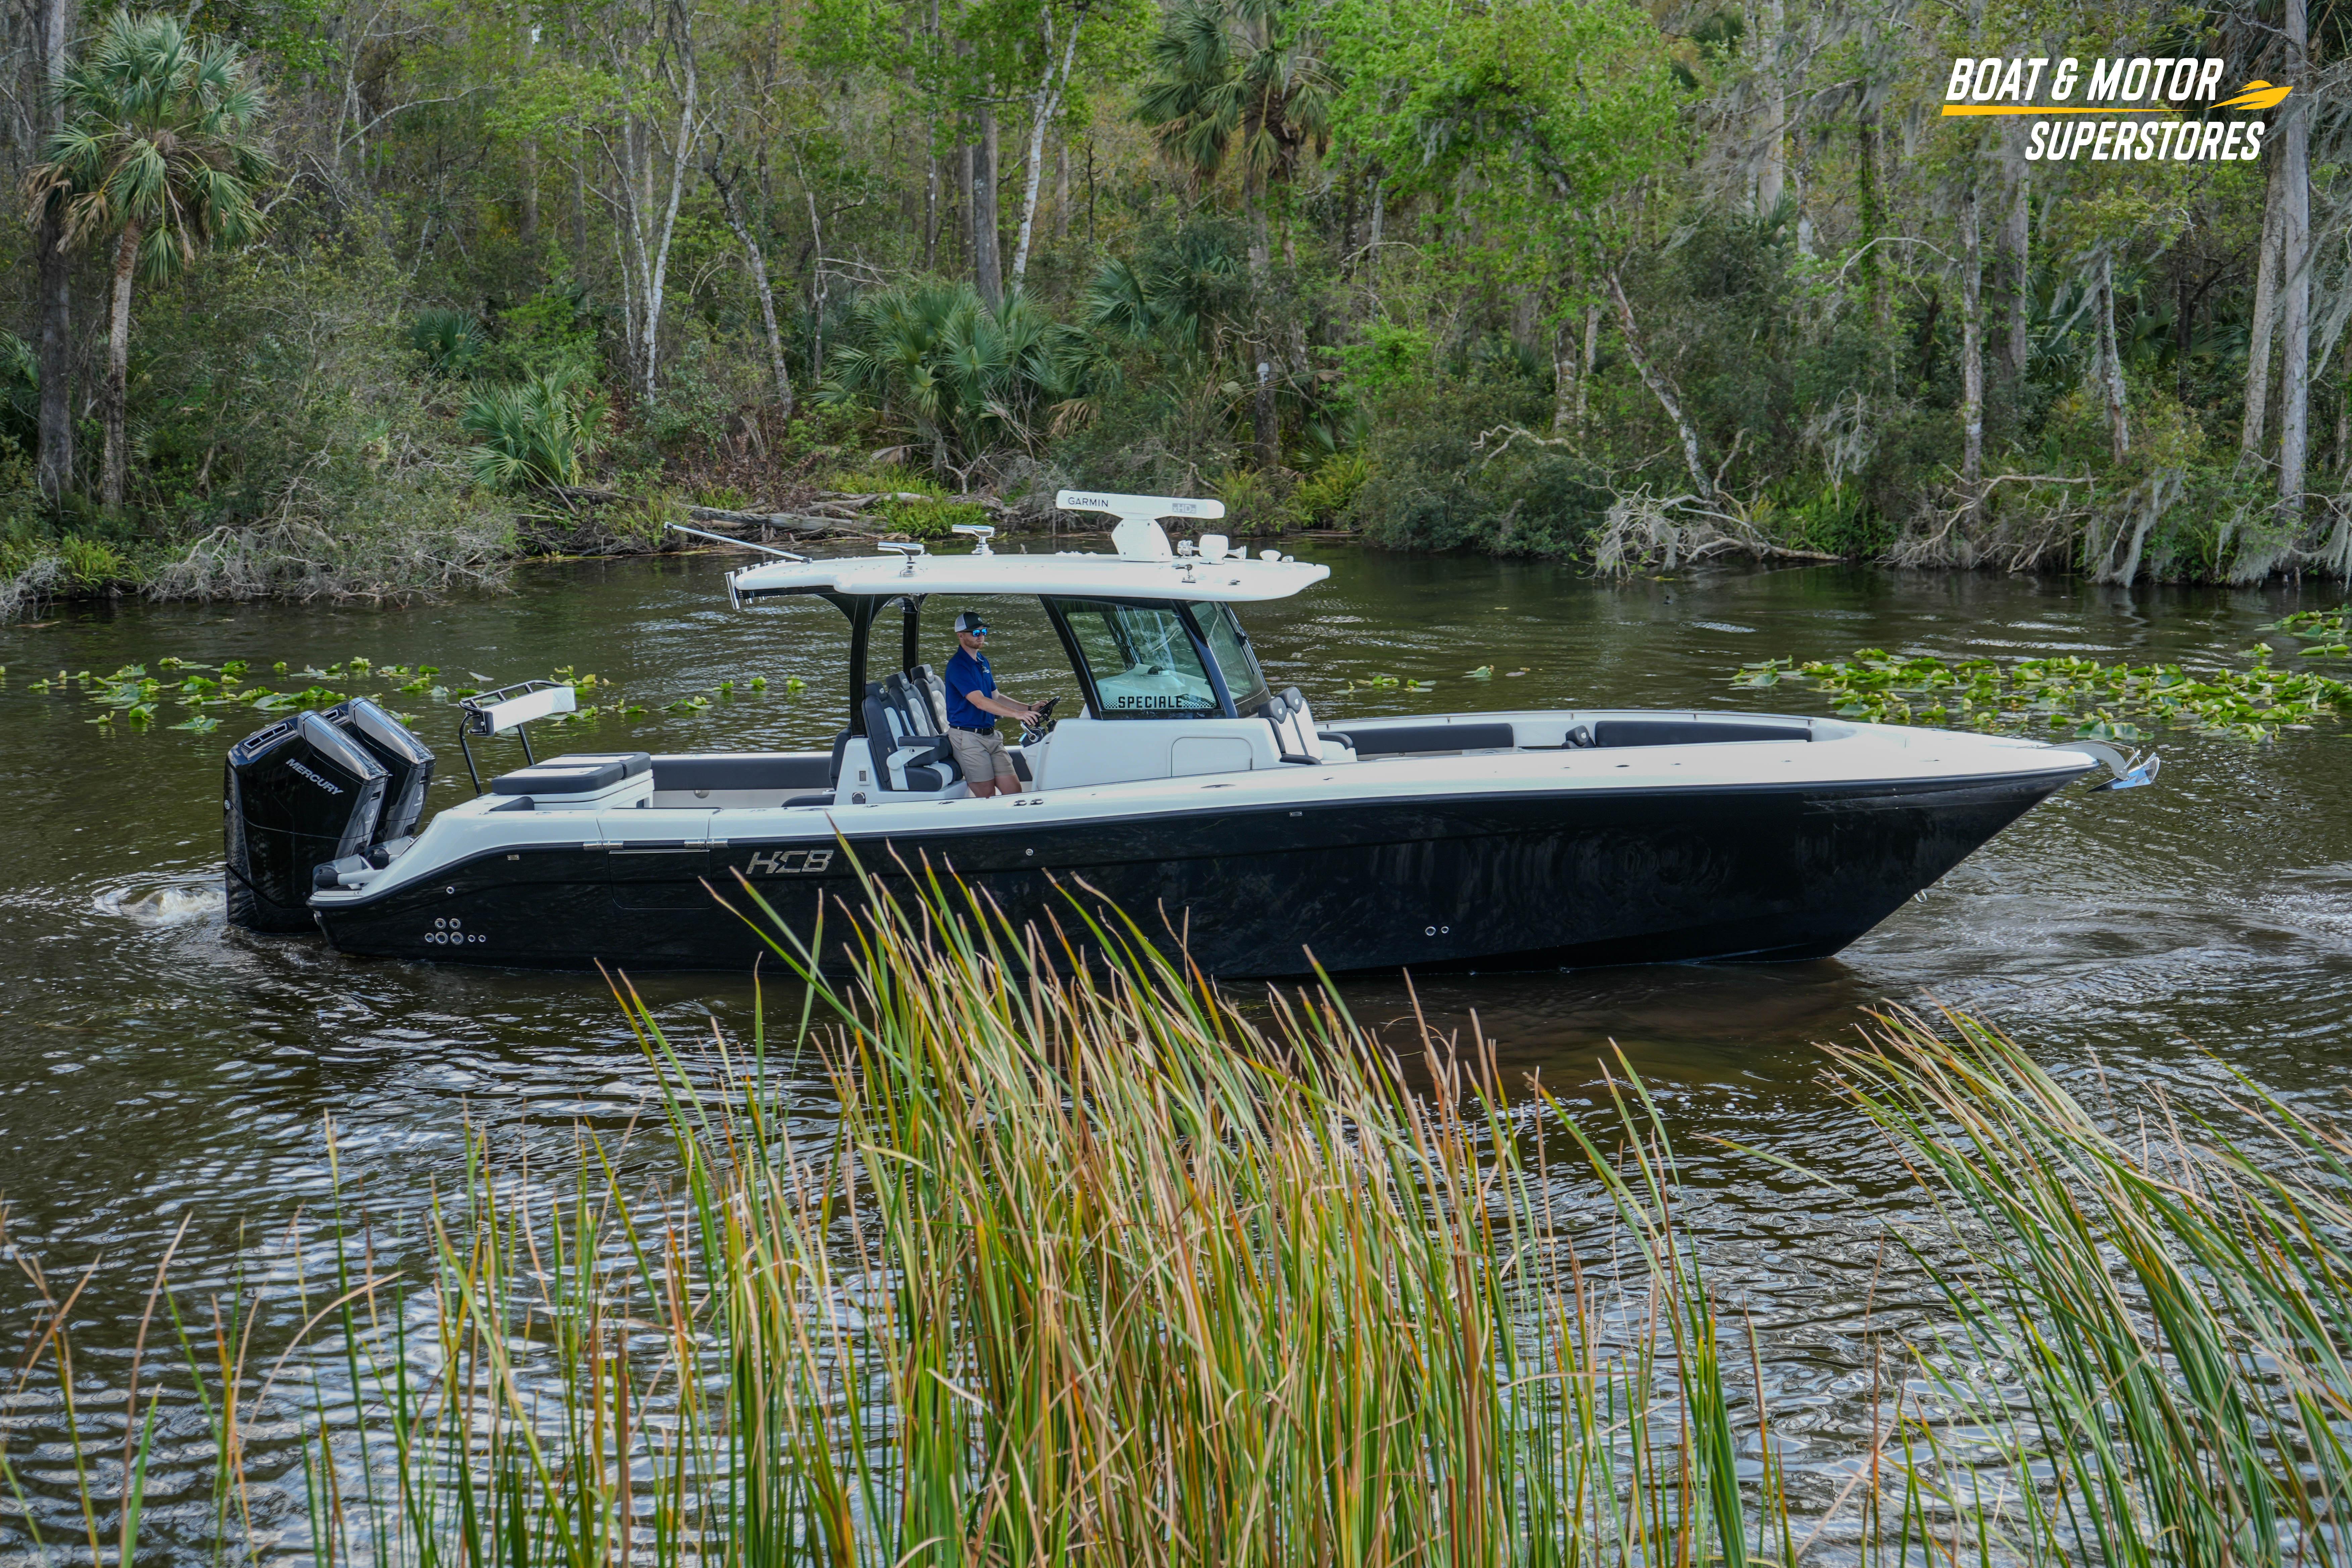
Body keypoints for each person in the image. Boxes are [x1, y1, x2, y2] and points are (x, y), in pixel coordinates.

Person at [941, 610, 1040, 798]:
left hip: (991, 735)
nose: (981, 637)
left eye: (984, 631)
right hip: (969, 737)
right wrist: (1017, 715)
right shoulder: (958, 666)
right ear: (961, 635)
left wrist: (1028, 709)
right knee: (987, 796)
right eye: (975, 633)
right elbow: (979, 702)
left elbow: (995, 696)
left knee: (1014, 791)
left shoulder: (982, 661)